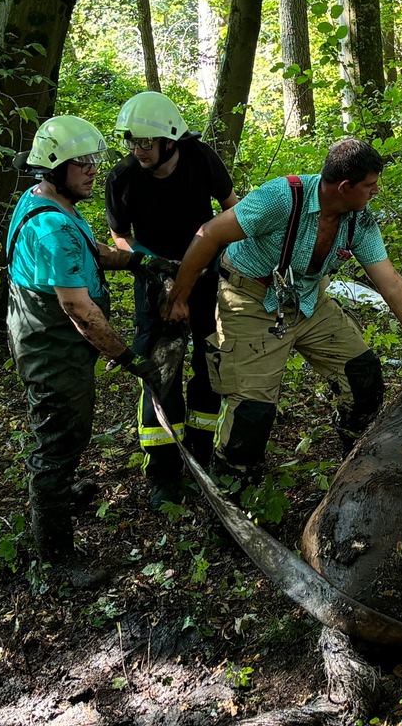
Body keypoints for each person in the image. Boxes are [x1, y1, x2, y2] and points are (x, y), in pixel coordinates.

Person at [164, 138, 402, 485]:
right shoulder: (281, 198)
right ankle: (233, 493)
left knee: (362, 374)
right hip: (250, 301)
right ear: (344, 187)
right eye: (369, 185)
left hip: (307, 300)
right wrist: (180, 298)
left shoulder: (358, 221)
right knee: (251, 412)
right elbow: (210, 234)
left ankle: (354, 461)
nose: (375, 191)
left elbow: (391, 284)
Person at [8, 115, 177, 587]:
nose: (92, 170)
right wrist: (132, 359)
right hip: (52, 345)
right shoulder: (51, 230)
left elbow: (93, 250)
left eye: (93, 161)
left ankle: (58, 492)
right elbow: (80, 311)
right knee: (59, 436)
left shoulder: (52, 203)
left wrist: (139, 260)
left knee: (67, 426)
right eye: (81, 162)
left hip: (46, 337)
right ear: (55, 167)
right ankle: (56, 557)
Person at [106, 92, 237, 508]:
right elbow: (120, 236)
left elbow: (232, 208)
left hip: (206, 276)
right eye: (132, 141)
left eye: (146, 142)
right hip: (153, 283)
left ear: (170, 140)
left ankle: (201, 453)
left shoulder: (201, 160)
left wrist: (234, 260)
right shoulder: (122, 177)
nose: (138, 150)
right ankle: (163, 471)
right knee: (161, 372)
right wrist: (156, 273)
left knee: (209, 363)